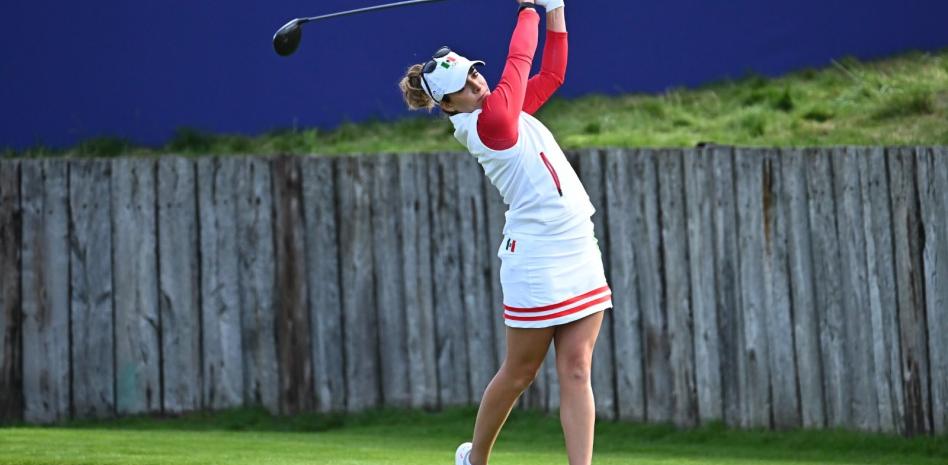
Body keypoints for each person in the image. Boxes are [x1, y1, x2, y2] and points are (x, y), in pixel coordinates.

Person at [398, 1, 611, 464]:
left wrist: (554, 9)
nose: (476, 81)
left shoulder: (501, 109)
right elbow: (519, 60)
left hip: (577, 242)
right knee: (519, 372)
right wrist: (529, 9)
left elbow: (551, 74)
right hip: (535, 256)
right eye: (463, 85)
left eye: (473, 72)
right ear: (448, 105)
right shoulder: (490, 122)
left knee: (577, 370)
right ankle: (475, 459)